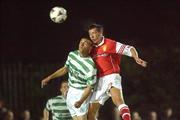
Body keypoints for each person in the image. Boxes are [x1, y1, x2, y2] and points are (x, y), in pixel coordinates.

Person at [87, 23, 147, 120]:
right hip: (99, 81)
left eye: (94, 33)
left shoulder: (110, 43)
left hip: (112, 76)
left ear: (101, 33)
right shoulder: (92, 49)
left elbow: (130, 48)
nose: (92, 36)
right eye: (90, 34)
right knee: (90, 114)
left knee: (118, 102)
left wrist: (136, 57)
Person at [41, 38, 97, 120]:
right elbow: (65, 69)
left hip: (81, 93)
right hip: (70, 92)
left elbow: (89, 87)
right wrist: (49, 78)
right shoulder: (72, 55)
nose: (81, 45)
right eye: (81, 42)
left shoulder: (90, 65)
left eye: (85, 43)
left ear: (90, 48)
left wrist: (81, 101)